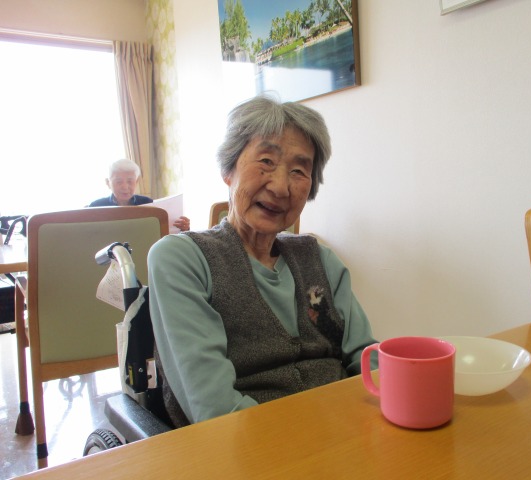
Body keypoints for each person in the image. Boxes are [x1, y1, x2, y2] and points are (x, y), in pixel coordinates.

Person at [148, 95, 377, 427]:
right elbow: (216, 411)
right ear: (228, 169)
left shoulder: (320, 259)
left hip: (347, 429)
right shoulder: (183, 260)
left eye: (299, 170)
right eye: (266, 161)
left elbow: (368, 362)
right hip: (252, 444)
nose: (281, 187)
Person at [88, 158, 190, 232]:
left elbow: (161, 231)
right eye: (119, 182)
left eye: (130, 181)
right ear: (108, 183)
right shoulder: (96, 207)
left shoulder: (148, 203)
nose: (125, 187)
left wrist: (183, 227)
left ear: (136, 182)